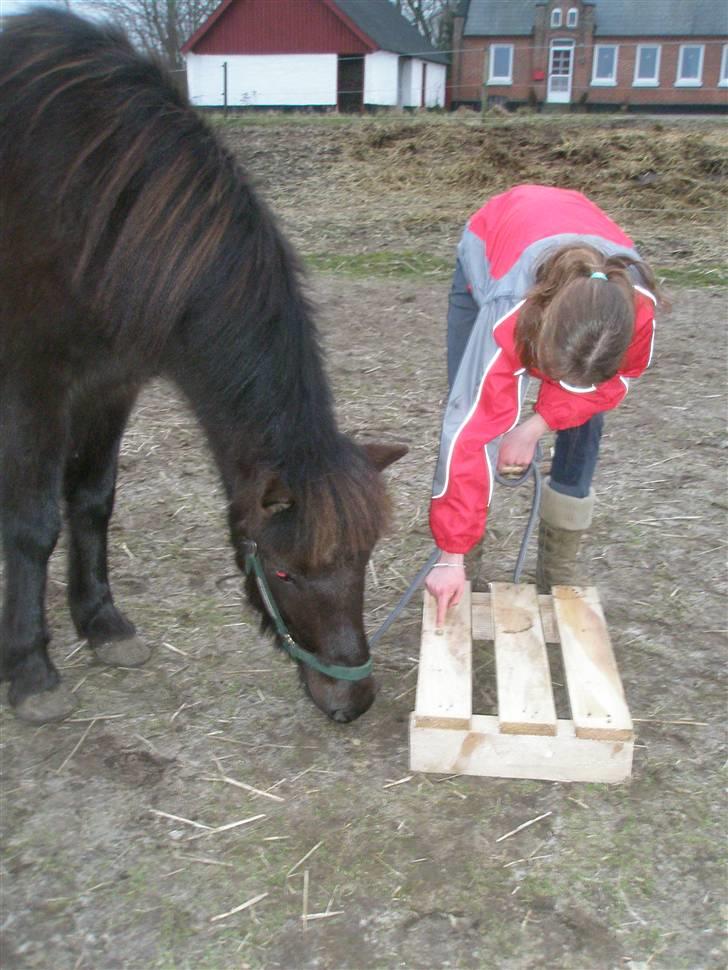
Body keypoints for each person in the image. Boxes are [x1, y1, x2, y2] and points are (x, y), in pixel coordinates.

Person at [425, 184, 663, 626]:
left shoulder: (637, 309)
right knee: (472, 401)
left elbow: (615, 381)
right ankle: (463, 563)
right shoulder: (508, 310)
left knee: (587, 416)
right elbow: (469, 430)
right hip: (495, 240)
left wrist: (538, 423)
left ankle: (556, 572)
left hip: (571, 236)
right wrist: (449, 553)